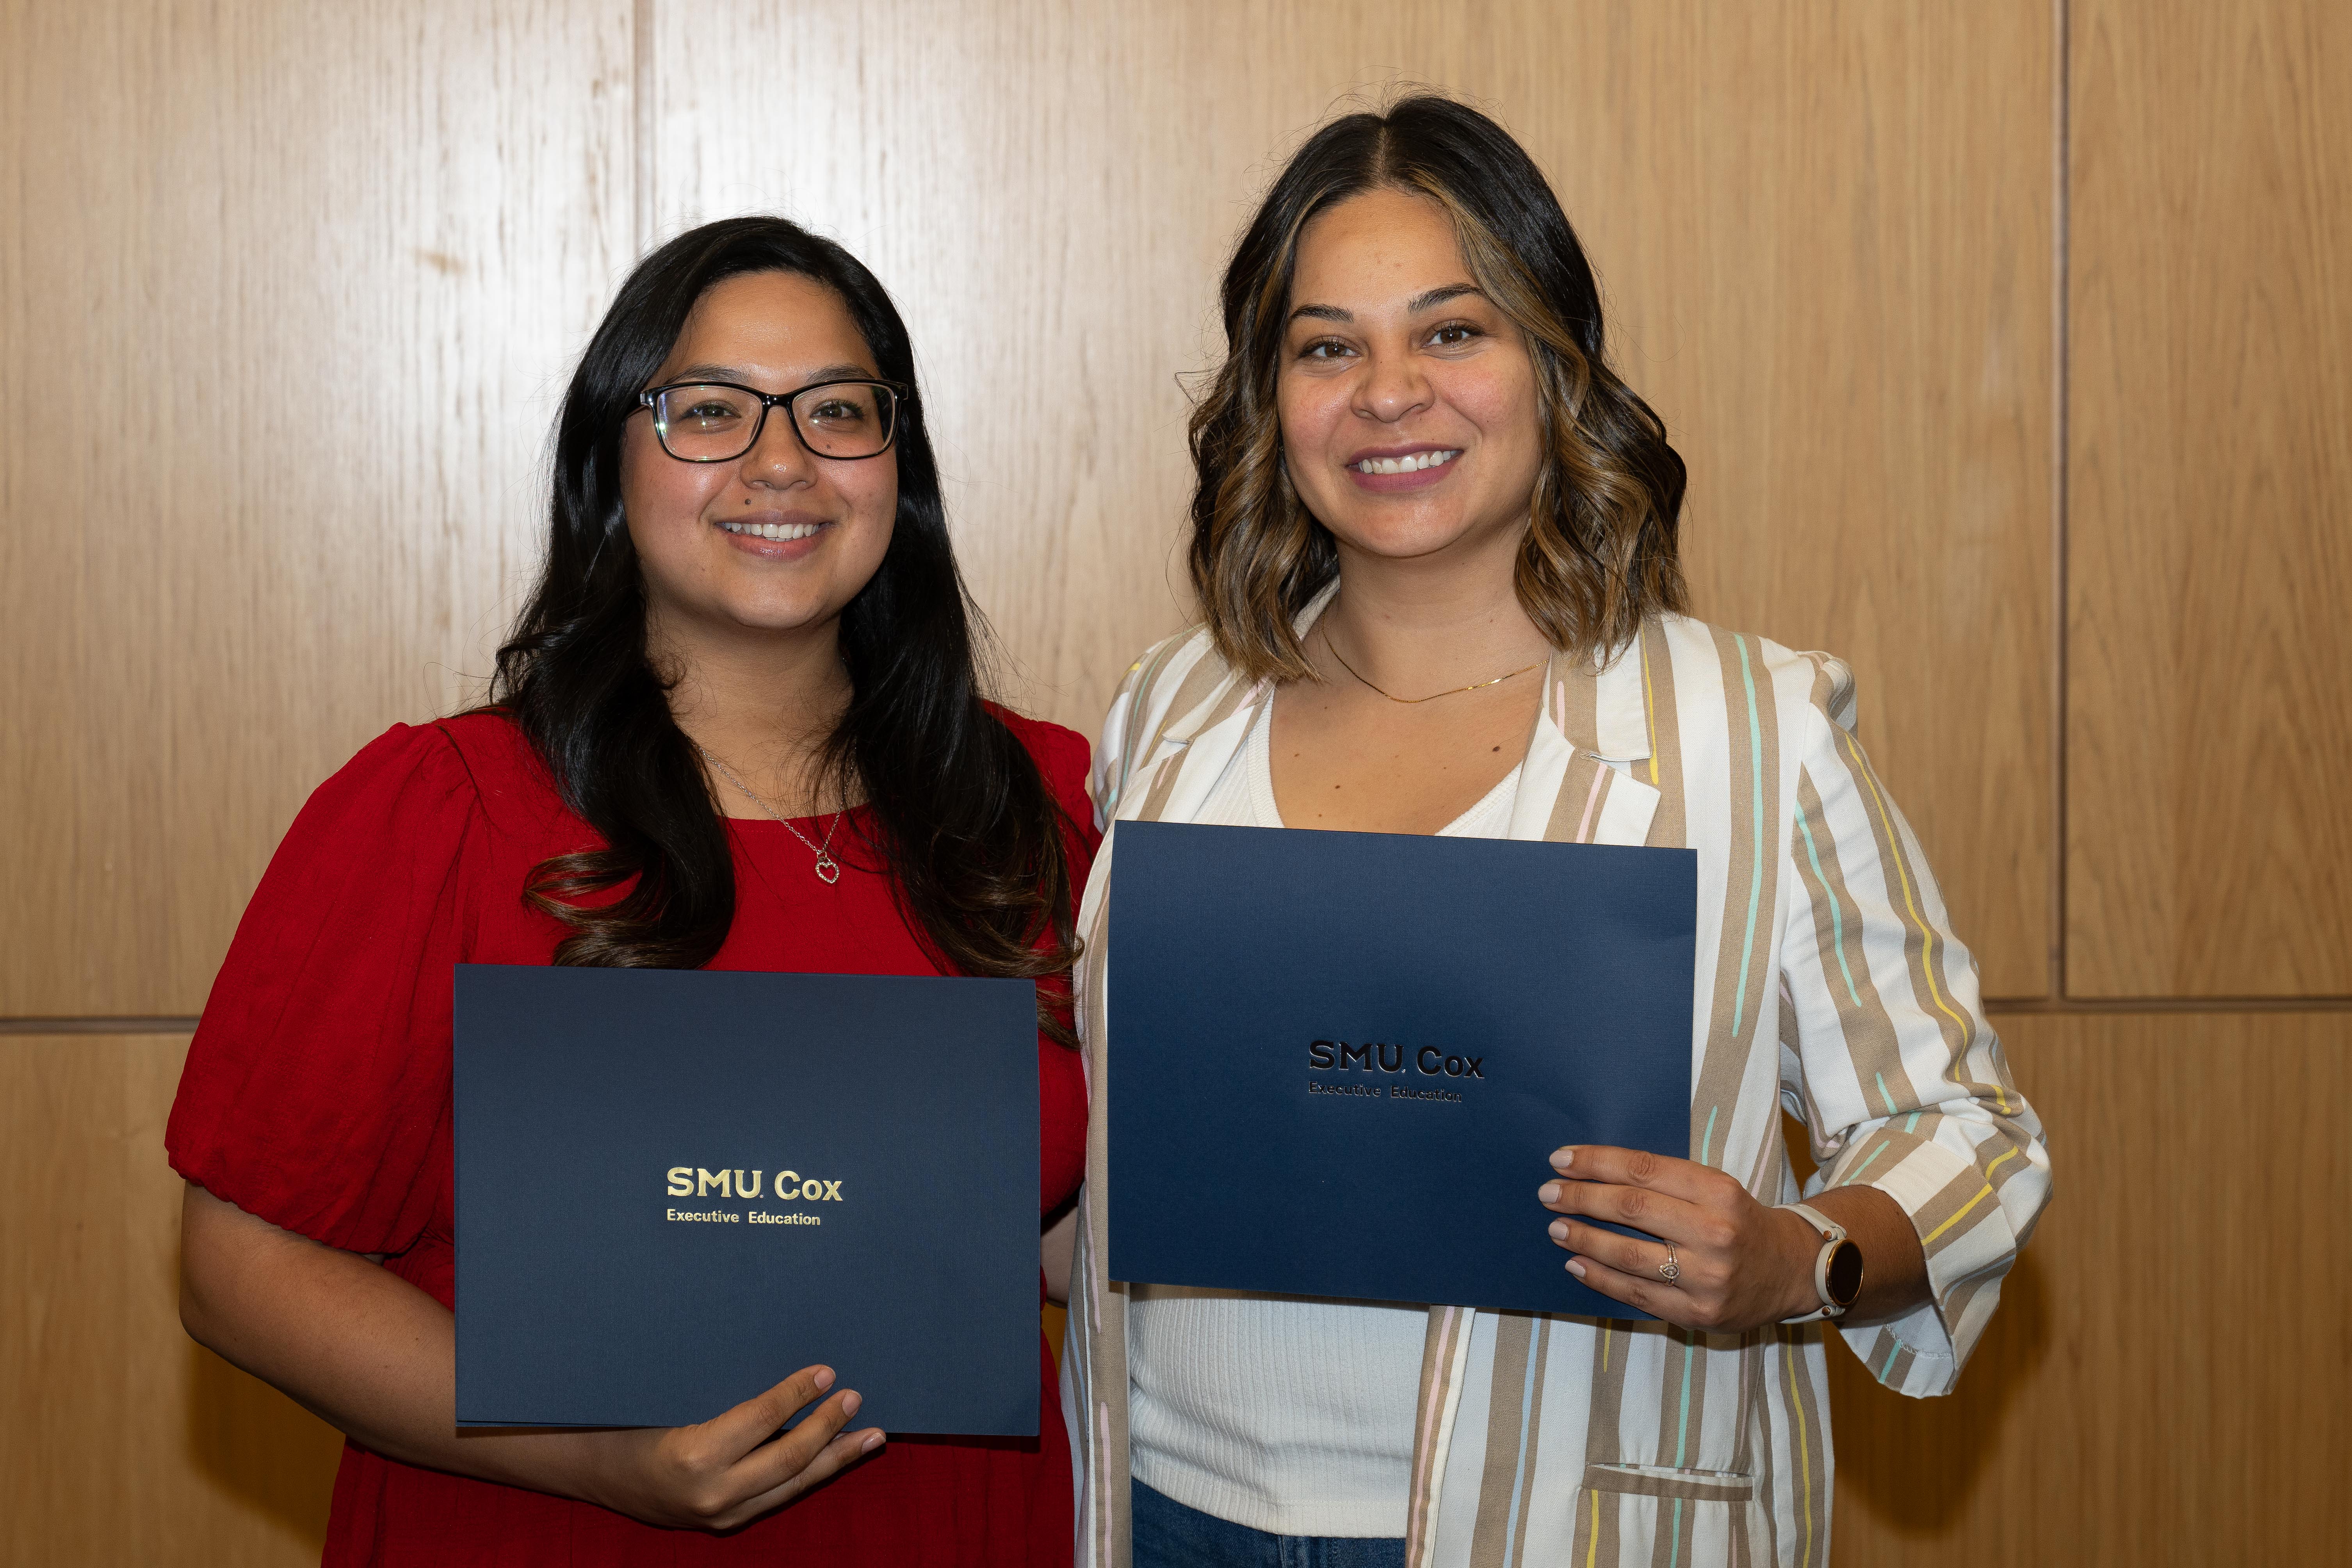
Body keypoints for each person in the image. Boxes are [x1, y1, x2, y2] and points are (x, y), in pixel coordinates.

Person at [1061, 98, 2052, 1568]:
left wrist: (1797, 1255)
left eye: (1453, 332)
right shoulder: (1169, 714)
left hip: (1571, 1518)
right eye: (1328, 346)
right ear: (1271, 398)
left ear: (1555, 367)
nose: (1390, 393)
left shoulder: (1750, 725)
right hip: (1172, 1509)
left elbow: (1970, 1137)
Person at [168, 216, 1095, 1566]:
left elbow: (1054, 1224)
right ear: (612, 460)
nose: (781, 460)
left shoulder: (1040, 800)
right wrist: (599, 1459)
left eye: (839, 410)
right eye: (709, 411)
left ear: (901, 466)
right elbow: (241, 1269)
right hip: (538, 1523)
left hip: (950, 1524)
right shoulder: (440, 812)